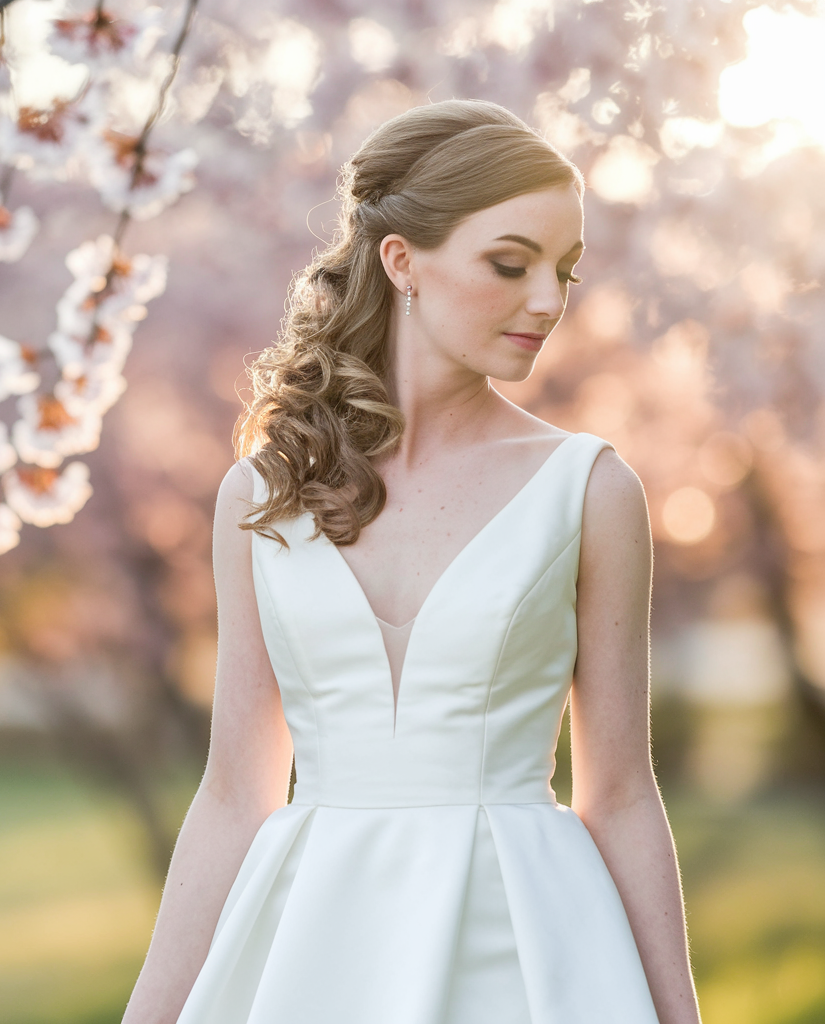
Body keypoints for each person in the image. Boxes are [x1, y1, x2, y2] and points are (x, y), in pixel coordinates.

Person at [121, 99, 702, 1024]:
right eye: (510, 264)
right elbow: (235, 793)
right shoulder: (261, 497)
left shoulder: (589, 490)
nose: (548, 302)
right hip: (310, 947)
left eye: (564, 271)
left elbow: (623, 794)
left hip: (524, 949)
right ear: (401, 262)